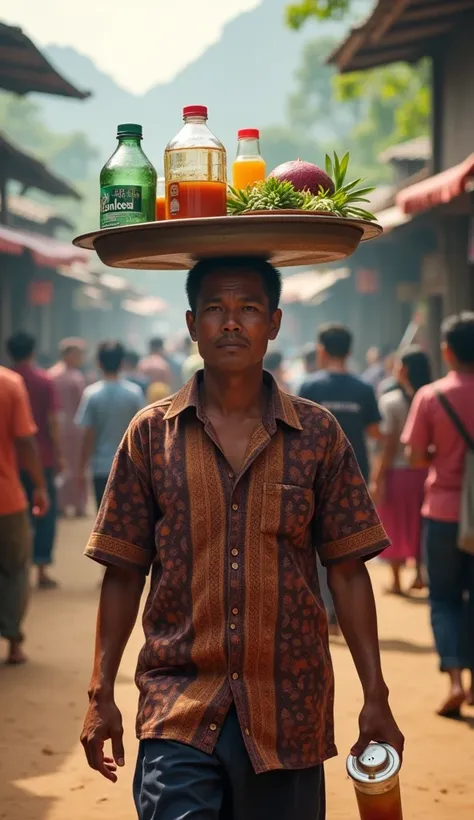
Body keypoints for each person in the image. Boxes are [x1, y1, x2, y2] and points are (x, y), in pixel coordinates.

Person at [80, 256, 403, 820]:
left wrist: (376, 693)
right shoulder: (150, 435)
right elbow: (124, 570)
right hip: (177, 706)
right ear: (191, 324)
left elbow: (348, 571)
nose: (232, 323)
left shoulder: (318, 436)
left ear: (273, 323)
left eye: (248, 309)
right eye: (215, 310)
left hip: (288, 711)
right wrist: (99, 692)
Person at [402, 312, 474, 718]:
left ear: (447, 351)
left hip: (444, 511)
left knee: (444, 598)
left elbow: (414, 456)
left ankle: (455, 682)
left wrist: (443, 459)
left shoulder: (431, 396)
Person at [370, 346, 432, 595]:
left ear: (403, 370)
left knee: (392, 522)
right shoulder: (431, 396)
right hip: (427, 471)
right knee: (420, 523)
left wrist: (377, 477)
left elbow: (388, 444)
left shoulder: (390, 402)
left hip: (398, 472)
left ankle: (396, 579)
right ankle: (418, 573)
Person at [0, 366, 49, 663]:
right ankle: (14, 641)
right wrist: (40, 486)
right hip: (6, 498)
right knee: (15, 568)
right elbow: (25, 440)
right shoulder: (8, 383)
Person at [7, 332, 63, 589]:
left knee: (13, 516)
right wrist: (59, 453)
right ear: (33, 351)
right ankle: (41, 569)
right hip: (43, 459)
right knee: (44, 514)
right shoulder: (44, 380)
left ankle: (13, 570)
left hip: (9, 462)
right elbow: (52, 423)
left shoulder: (6, 381)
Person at [299, 324, 381, 484]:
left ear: (321, 351)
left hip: (318, 474)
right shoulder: (364, 389)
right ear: (349, 352)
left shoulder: (309, 387)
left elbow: (299, 432)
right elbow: (374, 432)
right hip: (356, 473)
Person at [75, 341, 145, 510]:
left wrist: (82, 467)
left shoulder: (91, 394)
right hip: (130, 467)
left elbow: (88, 434)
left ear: (98, 363)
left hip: (101, 467)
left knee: (104, 517)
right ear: (122, 363)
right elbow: (141, 431)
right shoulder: (134, 393)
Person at [49, 338, 87, 517]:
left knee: (61, 466)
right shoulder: (75, 377)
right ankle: (78, 504)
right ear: (69, 354)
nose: (81, 357)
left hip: (55, 428)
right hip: (75, 429)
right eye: (79, 354)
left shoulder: (51, 375)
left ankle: (60, 504)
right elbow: (82, 405)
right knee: (78, 466)